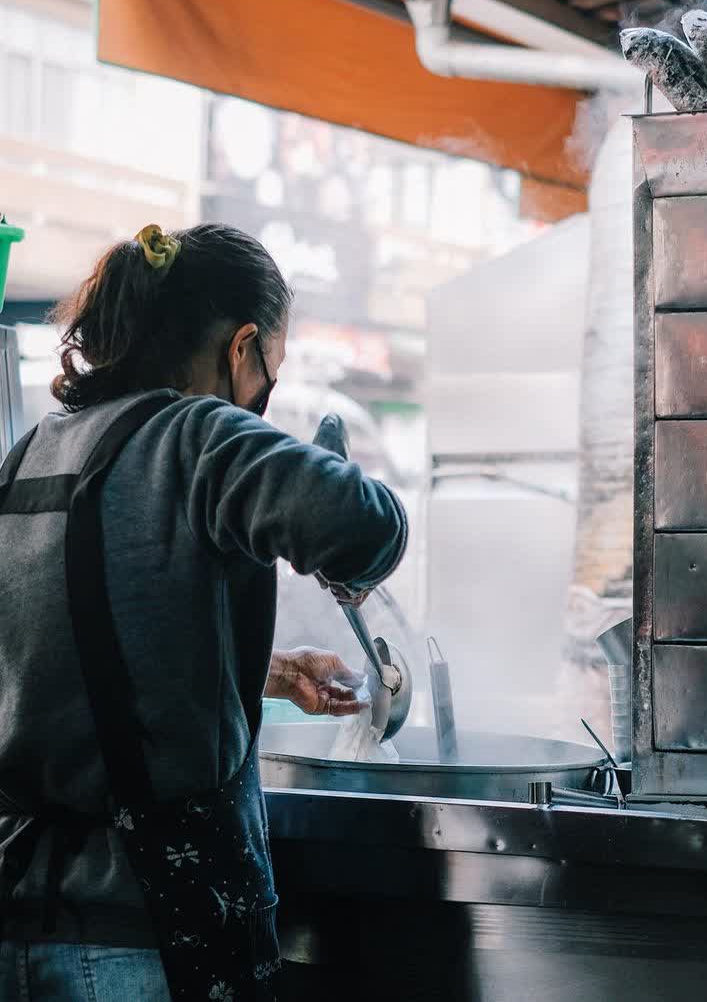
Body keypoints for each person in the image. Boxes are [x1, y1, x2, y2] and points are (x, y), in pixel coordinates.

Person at [0, 223, 408, 1001]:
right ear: (241, 346)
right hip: (143, 934)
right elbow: (360, 521)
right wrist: (354, 548)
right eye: (271, 375)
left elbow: (80, 667)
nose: (263, 397)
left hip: (21, 922)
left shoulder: (32, 456)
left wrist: (276, 672)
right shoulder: (195, 433)